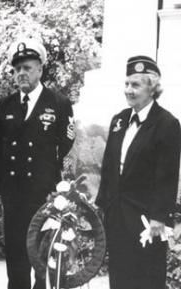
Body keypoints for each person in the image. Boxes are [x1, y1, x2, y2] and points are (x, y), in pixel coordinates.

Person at [0, 38, 75, 289]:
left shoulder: (58, 103)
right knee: (16, 254)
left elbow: (68, 150)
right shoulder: (6, 105)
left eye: (27, 67)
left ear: (40, 68)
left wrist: (64, 191)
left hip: (44, 195)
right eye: (17, 69)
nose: (21, 73)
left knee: (42, 256)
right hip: (13, 194)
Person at [95, 55, 181, 289]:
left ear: (152, 88)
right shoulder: (119, 120)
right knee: (120, 277)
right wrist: (101, 206)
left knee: (147, 279)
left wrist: (159, 217)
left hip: (146, 220)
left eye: (136, 85)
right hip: (117, 216)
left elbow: (167, 175)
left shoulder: (167, 124)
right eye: (127, 84)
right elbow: (109, 168)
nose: (128, 90)